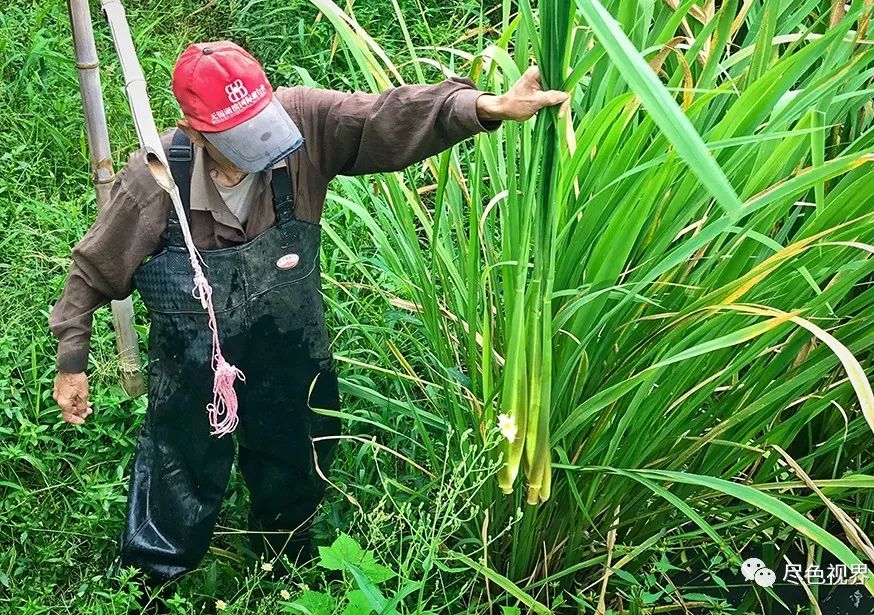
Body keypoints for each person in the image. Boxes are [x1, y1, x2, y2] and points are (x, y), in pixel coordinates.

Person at [49, 40, 567, 587]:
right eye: (240, 139)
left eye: (262, 125)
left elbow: (384, 117)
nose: (263, 148)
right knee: (180, 460)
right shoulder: (156, 177)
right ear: (196, 133)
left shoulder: (303, 123)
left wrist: (486, 106)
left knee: (298, 445)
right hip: (193, 357)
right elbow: (94, 268)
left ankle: (285, 557)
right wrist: (71, 359)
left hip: (288, 340)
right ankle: (152, 579)